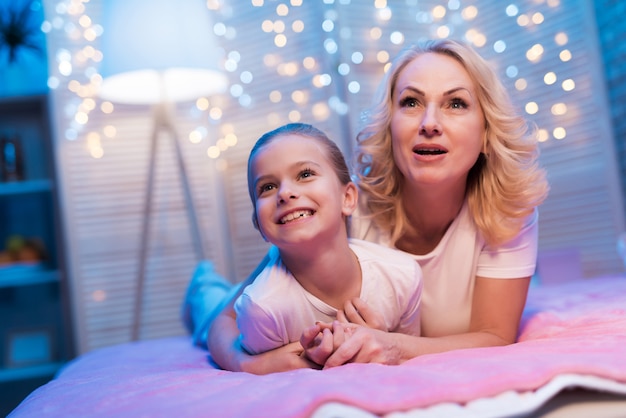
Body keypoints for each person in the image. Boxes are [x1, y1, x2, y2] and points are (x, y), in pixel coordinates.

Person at [188, 38, 548, 374]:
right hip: (280, 306)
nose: (429, 123)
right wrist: (243, 362)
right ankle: (202, 289)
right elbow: (227, 322)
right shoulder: (347, 207)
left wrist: (392, 346)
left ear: (486, 134)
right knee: (210, 308)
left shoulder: (508, 212)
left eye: (456, 104)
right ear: (389, 127)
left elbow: (495, 337)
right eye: (411, 102)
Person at [230, 123, 421, 361]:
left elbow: (408, 357)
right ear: (260, 225)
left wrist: (383, 341)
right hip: (235, 304)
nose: (285, 193)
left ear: (348, 198)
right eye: (267, 187)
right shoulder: (261, 310)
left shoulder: (402, 276)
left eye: (305, 174)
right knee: (207, 305)